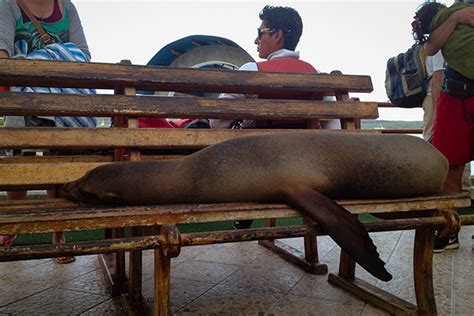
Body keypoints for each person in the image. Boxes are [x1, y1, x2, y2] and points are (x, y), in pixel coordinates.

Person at [210, 5, 340, 228]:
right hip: (301, 169)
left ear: (277, 35)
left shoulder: (252, 70)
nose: (256, 40)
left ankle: (245, 211)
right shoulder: (316, 76)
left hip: (257, 169)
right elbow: (333, 129)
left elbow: (216, 122)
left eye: (260, 33)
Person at [0, 0, 95, 263]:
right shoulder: (8, 5)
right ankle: (12, 226)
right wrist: (46, 62)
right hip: (24, 97)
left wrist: (46, 59)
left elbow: (84, 56)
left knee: (59, 163)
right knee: (20, 162)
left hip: (62, 98)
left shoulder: (67, 7)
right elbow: (2, 53)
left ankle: (58, 233)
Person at [422, 0, 474, 252]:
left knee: (452, 166)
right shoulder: (452, 11)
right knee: (450, 165)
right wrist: (456, 18)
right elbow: (431, 48)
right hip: (455, 93)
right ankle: (447, 230)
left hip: (458, 93)